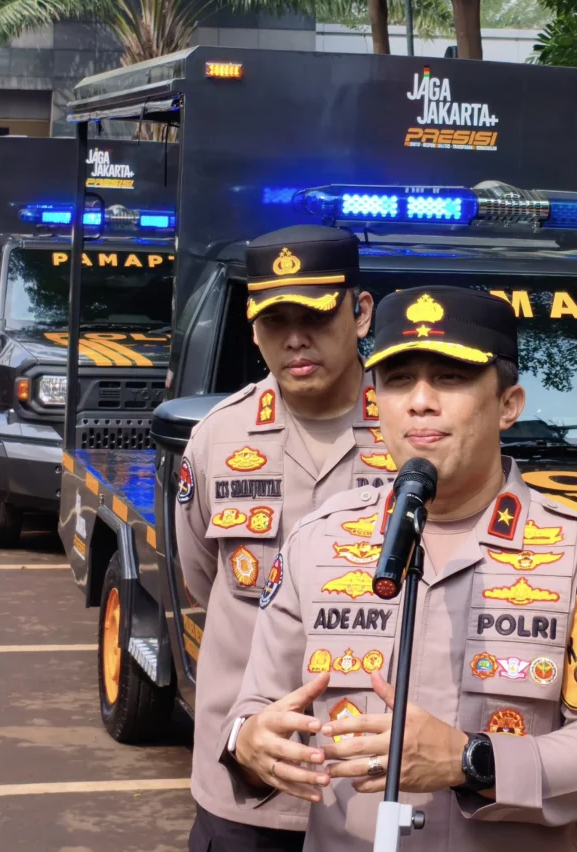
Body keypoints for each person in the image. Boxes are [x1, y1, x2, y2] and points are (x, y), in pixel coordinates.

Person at [222, 286, 577, 851]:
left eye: (451, 378)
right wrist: (249, 742)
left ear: (508, 404)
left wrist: (471, 761)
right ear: (375, 401)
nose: (420, 402)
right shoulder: (317, 541)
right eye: (398, 380)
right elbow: (255, 710)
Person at [176, 225, 390, 852]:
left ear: (360, 312)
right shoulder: (217, 439)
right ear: (252, 328)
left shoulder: (413, 432)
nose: (295, 339)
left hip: (376, 790)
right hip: (247, 787)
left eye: (315, 316)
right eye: (274, 320)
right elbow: (202, 579)